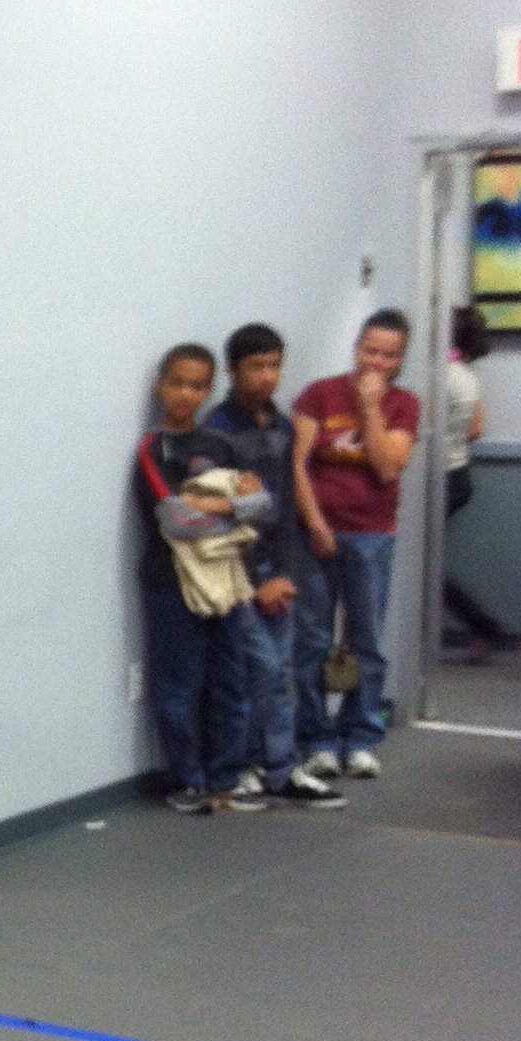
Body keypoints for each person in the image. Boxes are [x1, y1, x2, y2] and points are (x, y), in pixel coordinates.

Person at [205, 326, 346, 808]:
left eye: (274, 365)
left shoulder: (282, 427)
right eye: (256, 366)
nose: (267, 376)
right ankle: (241, 766)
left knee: (281, 668)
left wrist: (284, 572)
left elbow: (284, 510)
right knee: (251, 670)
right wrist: (259, 580)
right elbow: (224, 515)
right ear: (233, 370)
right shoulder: (217, 430)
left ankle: (282, 768)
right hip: (235, 571)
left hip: (279, 568)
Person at [133, 343, 274, 814]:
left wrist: (217, 504)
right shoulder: (154, 448)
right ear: (161, 385)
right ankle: (186, 781)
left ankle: (224, 781)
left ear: (209, 389)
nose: (185, 394)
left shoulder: (221, 445)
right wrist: (233, 511)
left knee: (231, 681)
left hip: (225, 580)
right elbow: (175, 520)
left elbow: (262, 506)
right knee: (179, 684)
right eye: (177, 383)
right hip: (172, 581)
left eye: (196, 386)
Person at [291, 309, 420, 780]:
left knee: (365, 638)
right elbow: (298, 464)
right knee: (311, 638)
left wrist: (368, 408)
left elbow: (387, 467)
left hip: (371, 534)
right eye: (370, 351)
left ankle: (360, 736)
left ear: (400, 360)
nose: (377, 362)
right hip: (316, 531)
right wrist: (315, 523)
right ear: (356, 349)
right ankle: (315, 739)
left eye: (389, 355)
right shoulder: (319, 394)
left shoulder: (403, 404)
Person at [436, 306, 520, 665]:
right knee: (424, 565)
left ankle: (483, 625)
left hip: (439, 480)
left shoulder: (439, 376)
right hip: (458, 475)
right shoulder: (467, 376)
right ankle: (482, 626)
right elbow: (475, 429)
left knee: (420, 565)